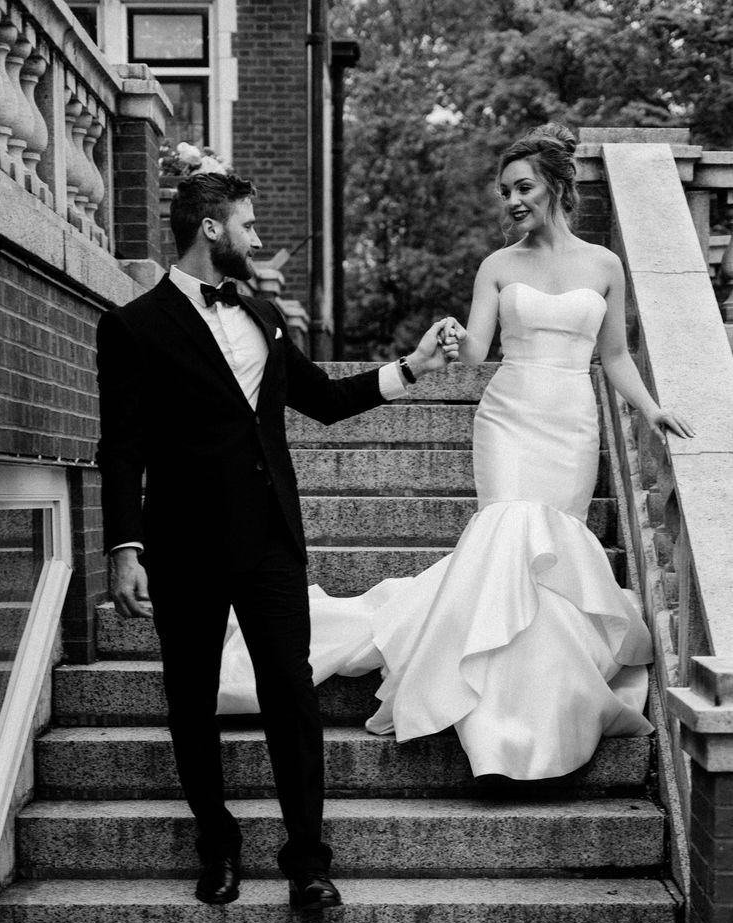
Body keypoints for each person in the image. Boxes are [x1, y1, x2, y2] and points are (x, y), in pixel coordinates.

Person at [218, 123, 693, 783]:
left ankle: (536, 712)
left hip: (570, 423)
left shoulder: (604, 266)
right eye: (504, 191)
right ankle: (493, 725)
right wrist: (443, 338)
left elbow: (611, 355)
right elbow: (474, 353)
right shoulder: (497, 266)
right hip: (509, 419)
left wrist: (651, 408)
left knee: (550, 562)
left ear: (556, 186)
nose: (511, 201)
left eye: (522, 187)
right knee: (507, 537)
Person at [95, 171, 458, 911]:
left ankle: (307, 861)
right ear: (209, 228)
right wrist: (124, 546)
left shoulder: (261, 313)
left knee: (291, 695)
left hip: (269, 539)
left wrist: (411, 368)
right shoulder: (133, 327)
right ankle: (217, 844)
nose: (257, 239)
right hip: (184, 544)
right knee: (191, 701)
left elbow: (321, 399)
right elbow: (122, 447)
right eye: (249, 225)